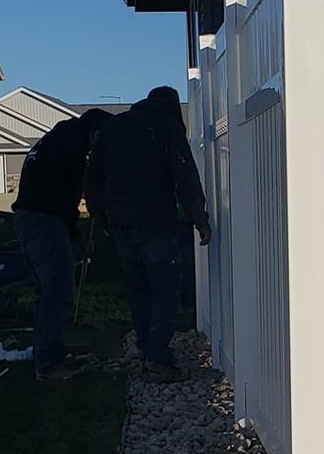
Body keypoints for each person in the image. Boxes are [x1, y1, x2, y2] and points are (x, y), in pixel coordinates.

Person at [84, 85, 211, 382]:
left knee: (138, 289)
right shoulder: (166, 127)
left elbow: (93, 178)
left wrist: (101, 217)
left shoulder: (113, 128)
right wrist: (199, 218)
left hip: (120, 223)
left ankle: (147, 347)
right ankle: (157, 359)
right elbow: (185, 175)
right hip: (156, 221)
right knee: (165, 290)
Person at [13, 107, 110, 381]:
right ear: (96, 133)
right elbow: (65, 185)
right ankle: (48, 364)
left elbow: (61, 190)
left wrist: (74, 234)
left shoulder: (61, 136)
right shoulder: (71, 140)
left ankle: (50, 354)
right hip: (43, 222)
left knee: (50, 292)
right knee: (56, 291)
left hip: (38, 219)